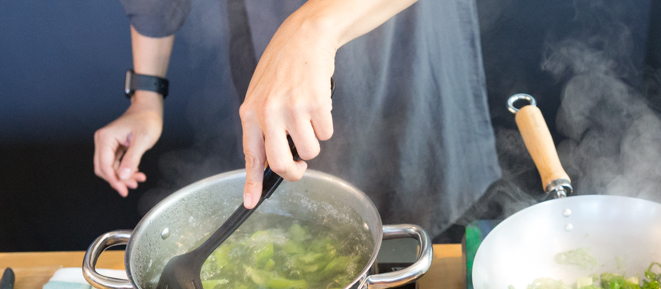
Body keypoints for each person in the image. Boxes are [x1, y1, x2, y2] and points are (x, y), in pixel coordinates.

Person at [94, 0, 501, 237]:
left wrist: (312, 26)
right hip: (270, 46)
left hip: (404, 52)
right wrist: (146, 95)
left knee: (417, 224)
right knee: (296, 223)